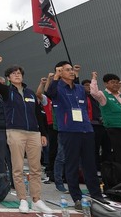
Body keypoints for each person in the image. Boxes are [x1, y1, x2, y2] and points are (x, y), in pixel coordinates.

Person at [0, 55, 52, 213]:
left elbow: (38, 115)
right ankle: (23, 199)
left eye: (19, 73)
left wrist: (43, 134)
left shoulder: (30, 93)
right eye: (13, 73)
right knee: (18, 168)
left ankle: (37, 199)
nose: (17, 74)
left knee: (36, 168)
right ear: (8, 77)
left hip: (33, 133)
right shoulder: (6, 91)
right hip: (15, 132)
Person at [45, 61, 105, 208]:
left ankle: (96, 194)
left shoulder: (79, 88)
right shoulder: (57, 88)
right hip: (69, 131)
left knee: (90, 164)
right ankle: (76, 197)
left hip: (86, 129)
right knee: (71, 164)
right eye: (67, 70)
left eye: (71, 69)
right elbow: (49, 93)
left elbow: (83, 105)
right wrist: (56, 77)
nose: (71, 72)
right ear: (60, 72)